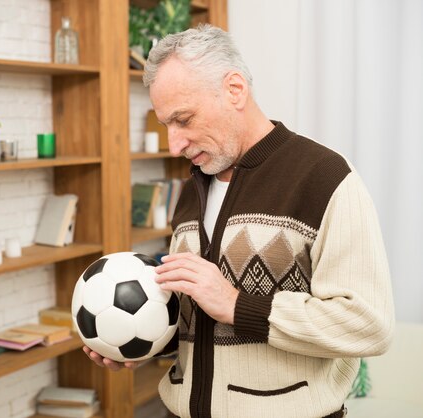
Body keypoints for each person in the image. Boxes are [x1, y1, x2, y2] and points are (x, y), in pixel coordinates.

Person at [83, 24, 395, 418]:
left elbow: (368, 324)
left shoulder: (325, 178)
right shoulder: (190, 192)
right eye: (166, 125)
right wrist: (137, 339)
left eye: (183, 119)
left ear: (234, 90)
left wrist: (236, 304)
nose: (173, 144)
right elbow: (201, 322)